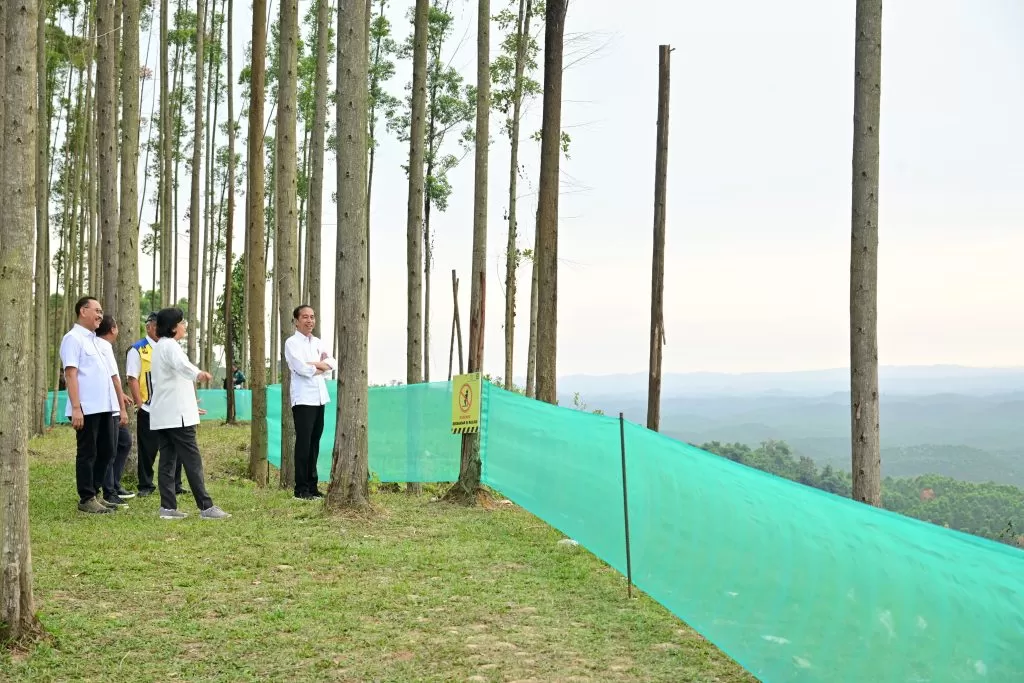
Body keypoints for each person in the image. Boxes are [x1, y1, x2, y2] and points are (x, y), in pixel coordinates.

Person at [148, 307, 231, 520]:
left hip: (166, 413)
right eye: (182, 322)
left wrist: (191, 405)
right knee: (192, 460)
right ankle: (206, 507)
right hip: (177, 417)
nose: (185, 326)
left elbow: (172, 382)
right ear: (174, 327)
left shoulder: (160, 347)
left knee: (168, 460)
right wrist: (198, 373)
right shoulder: (171, 346)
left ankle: (167, 508)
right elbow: (182, 366)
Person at [59, 297, 119, 514]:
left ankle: (95, 492)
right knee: (88, 452)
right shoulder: (73, 338)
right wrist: (76, 408)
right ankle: (86, 497)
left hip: (104, 406)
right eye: (97, 310)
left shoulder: (95, 340)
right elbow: (71, 373)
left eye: (102, 312)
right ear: (83, 311)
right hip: (86, 408)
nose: (100, 316)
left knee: (108, 450)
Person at [126, 312, 185, 497]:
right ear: (149, 327)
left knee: (174, 447)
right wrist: (139, 403)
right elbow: (132, 378)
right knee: (148, 449)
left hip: (169, 405)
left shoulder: (169, 346)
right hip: (149, 406)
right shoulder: (138, 349)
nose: (158, 329)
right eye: (155, 325)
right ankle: (146, 485)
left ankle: (175, 484)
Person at [284, 304, 337, 500]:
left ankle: (313, 487)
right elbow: (300, 368)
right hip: (303, 399)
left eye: (312, 317)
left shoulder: (317, 342)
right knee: (304, 444)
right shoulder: (291, 343)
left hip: (320, 397)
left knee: (315, 443)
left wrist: (318, 365)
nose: (309, 320)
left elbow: (332, 363)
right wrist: (320, 366)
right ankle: (301, 489)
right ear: (296, 321)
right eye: (305, 317)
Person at [95, 315, 135, 505]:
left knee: (123, 442)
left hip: (110, 403)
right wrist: (122, 409)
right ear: (112, 329)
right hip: (109, 409)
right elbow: (114, 378)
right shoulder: (103, 346)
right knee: (109, 449)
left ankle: (114, 484)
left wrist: (120, 397)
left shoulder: (101, 346)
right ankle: (108, 491)